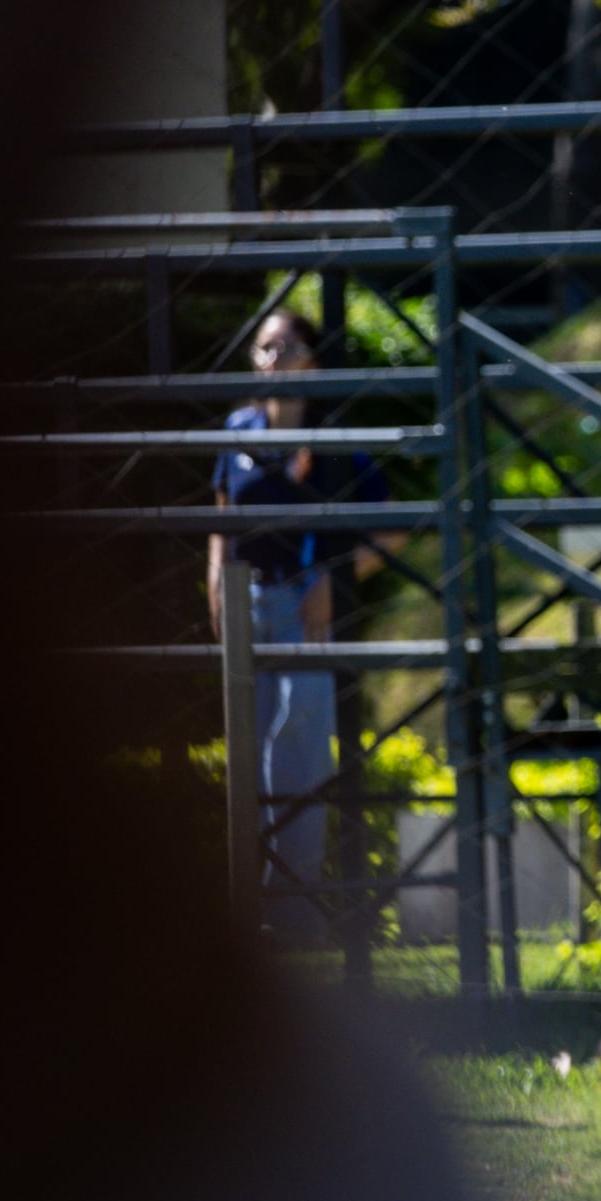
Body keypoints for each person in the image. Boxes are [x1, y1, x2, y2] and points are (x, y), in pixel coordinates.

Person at [207, 308, 384, 942]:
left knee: (301, 753)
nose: (272, 359)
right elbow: (221, 520)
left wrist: (336, 586)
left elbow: (390, 530)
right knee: (247, 758)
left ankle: (297, 913)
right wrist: (215, 590)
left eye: (284, 347)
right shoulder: (236, 431)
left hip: (306, 607)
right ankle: (245, 915)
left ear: (312, 358)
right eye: (262, 348)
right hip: (246, 602)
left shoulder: (334, 437)